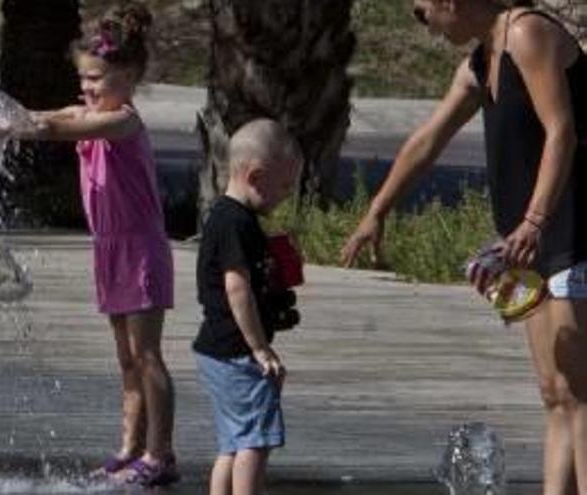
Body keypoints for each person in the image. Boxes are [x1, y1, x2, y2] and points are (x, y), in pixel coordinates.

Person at [340, 1, 587, 494]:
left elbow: (562, 131)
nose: (424, 23)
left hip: (572, 229)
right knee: (554, 393)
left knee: (581, 396)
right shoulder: (481, 60)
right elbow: (428, 139)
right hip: (528, 244)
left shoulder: (527, 34)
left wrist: (535, 220)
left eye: (420, 10)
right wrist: (377, 210)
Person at [0, 1, 179, 487]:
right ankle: (129, 449)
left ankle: (161, 454)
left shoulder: (123, 123)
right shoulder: (88, 110)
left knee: (147, 355)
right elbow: (38, 115)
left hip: (139, 250)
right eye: (84, 79)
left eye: (97, 79)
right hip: (108, 248)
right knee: (125, 358)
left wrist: (0, 128)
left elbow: (51, 129)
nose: (88, 88)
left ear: (131, 75)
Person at [194, 119, 302, 495]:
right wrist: (259, 347)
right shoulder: (235, 222)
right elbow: (236, 288)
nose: (287, 195)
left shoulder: (229, 218)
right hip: (238, 352)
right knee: (255, 440)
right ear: (255, 176)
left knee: (233, 442)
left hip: (217, 349)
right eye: (285, 186)